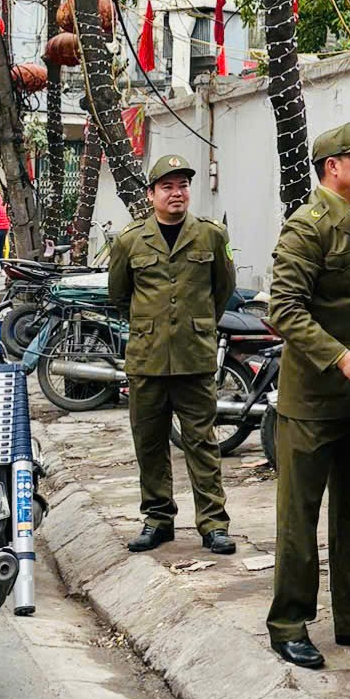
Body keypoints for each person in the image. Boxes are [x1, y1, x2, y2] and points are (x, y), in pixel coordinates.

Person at [264, 123, 350, 671]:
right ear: (332, 167)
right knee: (299, 518)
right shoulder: (307, 228)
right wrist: (339, 355)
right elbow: (284, 310)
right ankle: (289, 622)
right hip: (313, 398)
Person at [108, 153, 236, 556]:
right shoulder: (130, 240)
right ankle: (158, 519)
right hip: (146, 359)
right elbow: (119, 295)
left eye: (182, 185)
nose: (176, 193)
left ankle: (213, 524)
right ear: (151, 194)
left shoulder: (211, 235)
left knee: (202, 442)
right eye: (167, 186)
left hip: (193, 358)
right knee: (149, 443)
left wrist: (195, 325)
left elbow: (222, 290)